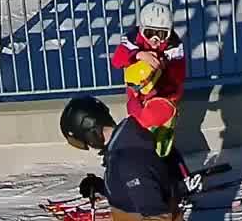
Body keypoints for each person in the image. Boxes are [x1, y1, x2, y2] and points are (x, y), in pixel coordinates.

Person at [61, 95, 193, 221]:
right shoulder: (126, 142)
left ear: (91, 132)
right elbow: (135, 193)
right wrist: (102, 187)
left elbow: (157, 215)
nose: (90, 146)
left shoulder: (128, 160)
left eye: (86, 141)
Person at [110, 0, 188, 159]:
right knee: (136, 123)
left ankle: (163, 149)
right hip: (138, 93)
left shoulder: (173, 45)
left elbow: (177, 77)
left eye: (161, 34)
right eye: (149, 33)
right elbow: (117, 60)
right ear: (141, 29)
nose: (154, 40)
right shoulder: (133, 38)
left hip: (164, 94)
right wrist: (139, 55)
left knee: (150, 123)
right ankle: (143, 152)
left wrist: (161, 65)